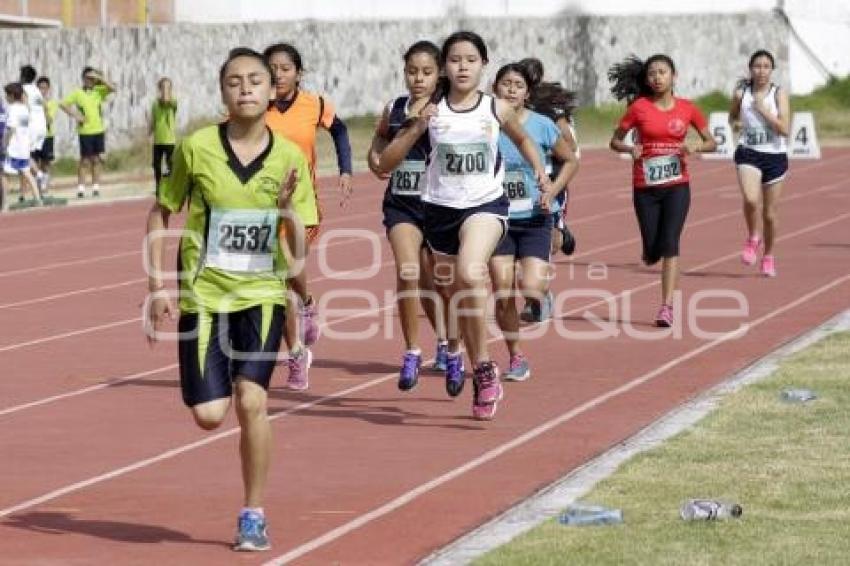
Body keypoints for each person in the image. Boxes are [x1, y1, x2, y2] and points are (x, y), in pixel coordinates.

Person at [145, 47, 316, 552]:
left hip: (261, 295)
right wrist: (157, 286)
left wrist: (285, 211)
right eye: (235, 81)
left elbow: (299, 250)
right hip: (203, 296)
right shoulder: (196, 147)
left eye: (256, 80)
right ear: (222, 92)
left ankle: (253, 514)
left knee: (253, 400)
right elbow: (161, 213)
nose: (246, 88)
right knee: (210, 415)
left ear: (272, 90)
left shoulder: (288, 157)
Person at [380, 31, 553, 419]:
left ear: (483, 66)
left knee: (470, 273)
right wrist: (414, 129)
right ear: (445, 67)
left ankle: (486, 369)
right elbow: (387, 163)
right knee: (454, 291)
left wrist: (540, 170)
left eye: (470, 60)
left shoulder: (495, 108)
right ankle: (469, 356)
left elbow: (524, 141)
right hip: (439, 210)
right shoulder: (431, 109)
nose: (462, 67)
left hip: (486, 207)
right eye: (455, 60)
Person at [263, 42, 353, 391]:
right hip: (264, 204)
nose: (278, 74)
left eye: (285, 68)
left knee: (286, 271)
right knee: (280, 280)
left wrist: (345, 170)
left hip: (302, 203)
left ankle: (307, 305)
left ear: (298, 72)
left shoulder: (313, 104)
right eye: (272, 68)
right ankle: (297, 352)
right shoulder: (256, 104)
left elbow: (341, 131)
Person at [608, 54, 716, 327]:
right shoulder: (639, 108)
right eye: (652, 74)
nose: (657, 77)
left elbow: (711, 141)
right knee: (653, 249)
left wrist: (696, 147)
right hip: (645, 186)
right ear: (646, 79)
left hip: (677, 186)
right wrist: (629, 148)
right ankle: (649, 250)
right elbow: (615, 141)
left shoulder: (688, 109)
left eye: (662, 72)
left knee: (670, 244)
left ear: (673, 76)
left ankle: (666, 307)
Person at [367, 40, 451, 390]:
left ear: (439, 74)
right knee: (408, 272)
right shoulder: (396, 107)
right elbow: (378, 141)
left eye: (426, 72)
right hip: (401, 204)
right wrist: (375, 160)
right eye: (412, 71)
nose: (418, 78)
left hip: (441, 205)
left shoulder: (448, 108)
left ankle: (448, 342)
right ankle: (413, 351)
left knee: (440, 284)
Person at [490, 62, 579, 380]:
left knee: (530, 285)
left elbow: (570, 160)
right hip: (496, 219)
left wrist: (553, 190)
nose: (511, 89)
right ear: (494, 87)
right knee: (502, 292)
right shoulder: (485, 122)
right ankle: (516, 357)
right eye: (505, 83)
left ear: (527, 93)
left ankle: (541, 296)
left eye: (518, 85)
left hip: (535, 217)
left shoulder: (542, 125)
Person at [729, 49, 790, 278]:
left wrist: (763, 109)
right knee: (751, 199)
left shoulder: (778, 94)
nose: (761, 70)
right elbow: (732, 116)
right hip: (748, 153)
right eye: (757, 66)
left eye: (766, 66)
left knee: (770, 214)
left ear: (772, 70)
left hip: (775, 156)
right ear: (750, 69)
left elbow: (785, 129)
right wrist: (735, 124)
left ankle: (769, 255)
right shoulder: (740, 93)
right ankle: (753, 237)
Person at [518, 57, 580, 259]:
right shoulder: (508, 105)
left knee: (551, 244)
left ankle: (562, 235)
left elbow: (570, 145)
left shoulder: (549, 107)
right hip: (518, 179)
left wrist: (541, 149)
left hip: (551, 179)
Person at [61, 67, 116, 198]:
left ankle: (96, 187)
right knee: (85, 160)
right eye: (87, 78)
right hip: (85, 131)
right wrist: (76, 115)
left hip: (98, 130)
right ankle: (81, 188)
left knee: (97, 160)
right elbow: (63, 104)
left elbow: (113, 89)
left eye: (92, 78)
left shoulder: (98, 91)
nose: (90, 80)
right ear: (83, 79)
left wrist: (100, 78)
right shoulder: (78, 93)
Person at [3, 82, 41, 208]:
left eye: (7, 95)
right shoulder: (25, 109)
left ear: (12, 96)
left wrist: (4, 144)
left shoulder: (12, 109)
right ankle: (37, 198)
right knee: (27, 173)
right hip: (24, 148)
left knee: (4, 175)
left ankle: (4, 203)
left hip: (13, 148)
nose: (5, 98)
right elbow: (25, 127)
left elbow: (11, 129)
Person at [20, 65, 48, 190]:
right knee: (31, 154)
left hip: (31, 127)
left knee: (24, 154)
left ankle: (40, 175)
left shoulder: (23, 89)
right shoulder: (36, 90)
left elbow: (25, 108)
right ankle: (38, 185)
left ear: (23, 76)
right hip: (41, 127)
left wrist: (21, 127)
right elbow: (44, 106)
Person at [150, 77, 178, 191]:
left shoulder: (173, 102)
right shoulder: (155, 104)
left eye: (167, 87)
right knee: (156, 165)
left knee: (170, 165)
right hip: (158, 140)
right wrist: (149, 133)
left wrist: (166, 88)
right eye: (162, 87)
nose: (165, 89)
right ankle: (158, 186)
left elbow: (166, 100)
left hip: (169, 140)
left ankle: (170, 186)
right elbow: (153, 120)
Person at [34, 76, 58, 194]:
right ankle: (38, 189)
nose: (42, 91)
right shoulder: (32, 104)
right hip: (35, 137)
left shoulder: (52, 103)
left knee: (46, 163)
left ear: (48, 89)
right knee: (35, 163)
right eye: (40, 88)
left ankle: (46, 188)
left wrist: (44, 107)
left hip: (47, 136)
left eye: (45, 88)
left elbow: (49, 120)